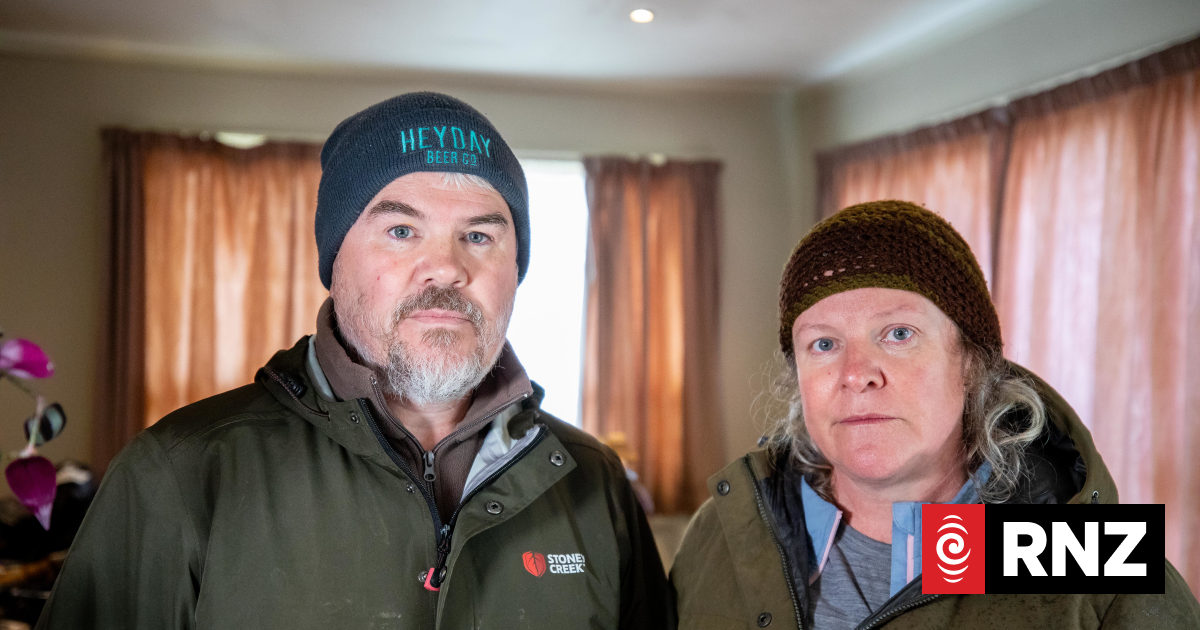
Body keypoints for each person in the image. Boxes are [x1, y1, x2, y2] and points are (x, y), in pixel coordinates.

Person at [38, 92, 672, 629]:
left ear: (515, 270)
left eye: (479, 235)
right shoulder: (179, 473)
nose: (447, 267)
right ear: (334, 262)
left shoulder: (594, 484)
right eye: (401, 231)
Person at [670, 200, 1200, 629]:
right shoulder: (725, 530)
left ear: (971, 364)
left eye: (898, 334)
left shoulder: (1099, 565)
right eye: (824, 344)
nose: (857, 373)